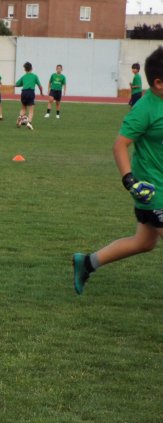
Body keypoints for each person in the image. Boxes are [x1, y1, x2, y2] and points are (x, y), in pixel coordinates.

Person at [73, 46, 163, 295]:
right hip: (152, 188)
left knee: (144, 242)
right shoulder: (145, 109)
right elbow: (120, 145)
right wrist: (129, 180)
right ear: (158, 83)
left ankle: (87, 263)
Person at [15, 61, 43, 130]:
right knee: (31, 110)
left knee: (23, 108)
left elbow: (17, 84)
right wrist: (41, 93)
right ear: (32, 68)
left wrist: (19, 85)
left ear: (25, 69)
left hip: (23, 92)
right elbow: (40, 86)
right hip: (30, 92)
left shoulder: (24, 77)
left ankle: (20, 117)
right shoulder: (34, 76)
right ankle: (29, 123)